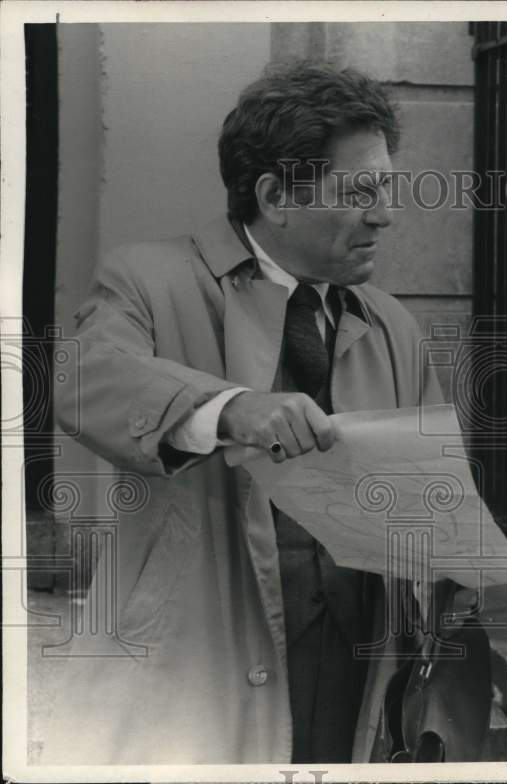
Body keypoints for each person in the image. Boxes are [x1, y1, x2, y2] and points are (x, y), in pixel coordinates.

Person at [48, 61, 442, 764]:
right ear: (274, 195)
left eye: (385, 188)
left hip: (357, 671)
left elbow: (435, 505)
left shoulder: (393, 327)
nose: (384, 213)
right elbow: (84, 379)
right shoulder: (147, 278)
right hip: (189, 670)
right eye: (359, 191)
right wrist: (228, 411)